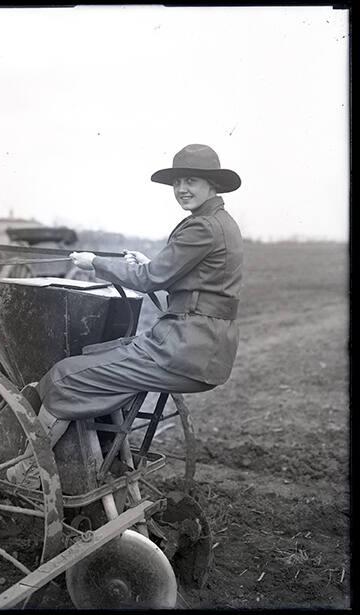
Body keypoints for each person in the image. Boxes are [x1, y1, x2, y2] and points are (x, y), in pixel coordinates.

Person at [18, 144, 243, 459]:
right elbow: (195, 279)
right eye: (177, 182)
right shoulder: (221, 222)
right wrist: (148, 263)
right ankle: (93, 459)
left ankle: (25, 472)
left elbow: (150, 279)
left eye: (191, 181)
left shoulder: (202, 226)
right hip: (202, 348)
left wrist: (95, 262)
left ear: (213, 184)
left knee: (64, 377)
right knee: (96, 355)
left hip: (184, 349)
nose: (181, 189)